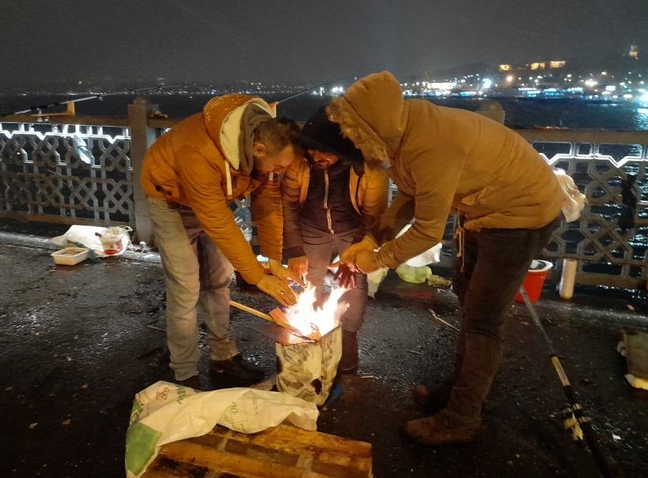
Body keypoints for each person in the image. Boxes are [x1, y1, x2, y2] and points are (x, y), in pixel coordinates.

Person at [330, 72, 565, 445]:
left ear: (371, 129)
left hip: (520, 216)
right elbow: (408, 197)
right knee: (468, 302)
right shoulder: (404, 132)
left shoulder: (430, 143)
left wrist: (375, 259)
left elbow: (427, 231)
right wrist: (370, 239)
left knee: (484, 320)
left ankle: (462, 416)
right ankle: (459, 391)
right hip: (484, 213)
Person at [140, 94, 301, 388]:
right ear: (259, 148)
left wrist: (273, 260)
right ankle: (185, 372)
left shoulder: (260, 148)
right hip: (170, 198)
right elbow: (217, 220)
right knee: (186, 288)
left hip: (211, 198)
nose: (276, 174)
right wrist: (256, 276)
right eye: (276, 168)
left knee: (219, 280)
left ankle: (223, 356)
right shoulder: (199, 152)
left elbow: (267, 204)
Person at [281, 107, 389, 373]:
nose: (315, 156)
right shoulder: (299, 161)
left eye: (325, 151)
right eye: (311, 149)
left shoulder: (370, 168)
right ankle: (307, 341)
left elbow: (373, 216)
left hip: (353, 231)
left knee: (353, 283)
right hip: (312, 227)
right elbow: (289, 204)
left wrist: (354, 254)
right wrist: (295, 249)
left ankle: (347, 348)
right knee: (308, 282)